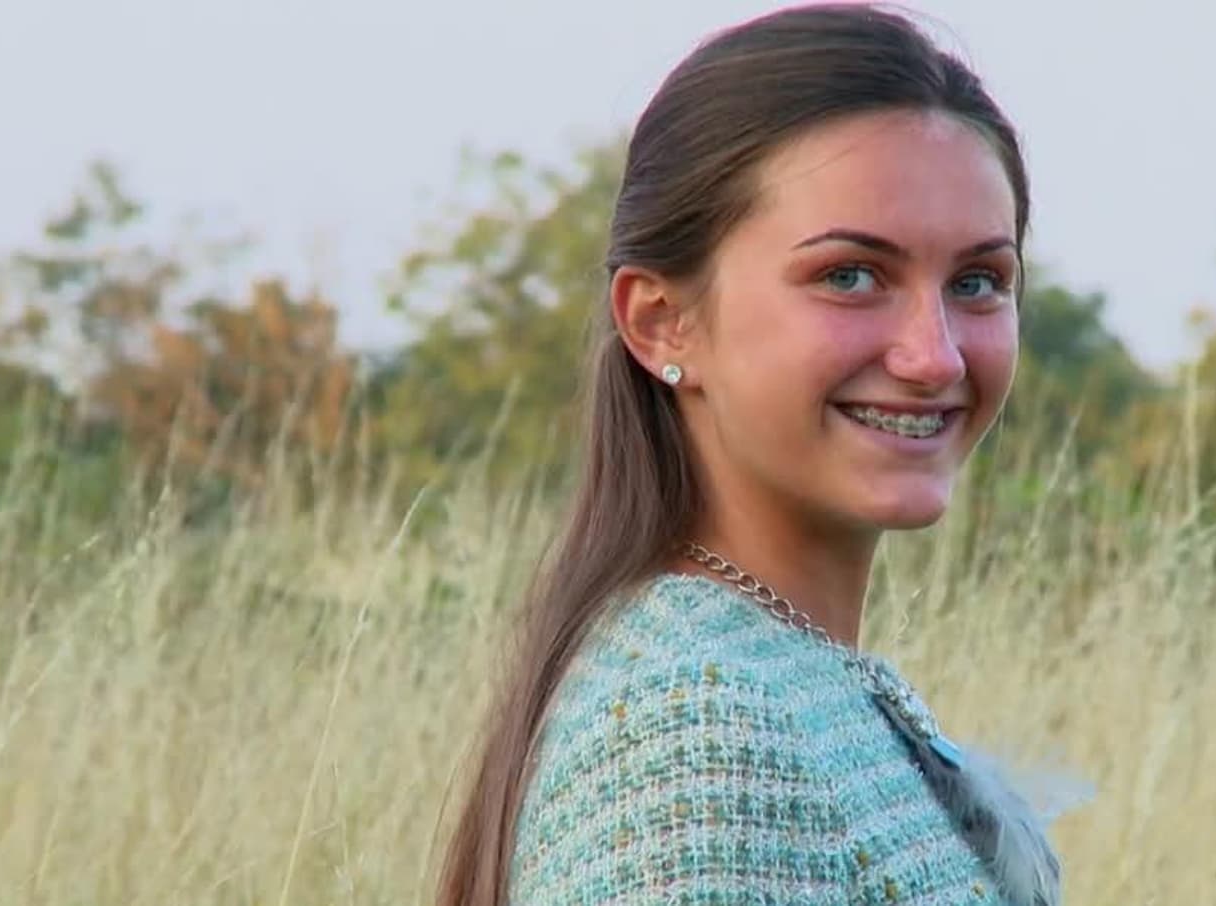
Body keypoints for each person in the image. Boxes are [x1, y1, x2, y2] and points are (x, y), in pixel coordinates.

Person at [435, 4, 1086, 905]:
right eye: (850, 276)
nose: (935, 356)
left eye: (978, 281)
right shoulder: (695, 729)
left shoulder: (779, 672)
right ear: (662, 320)